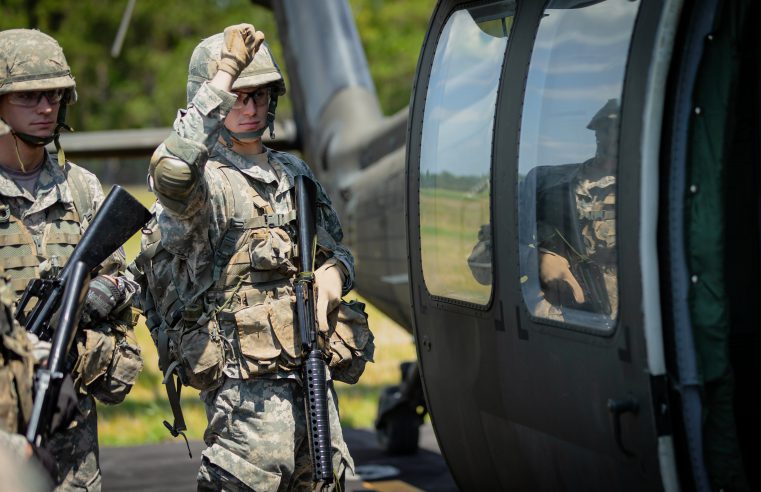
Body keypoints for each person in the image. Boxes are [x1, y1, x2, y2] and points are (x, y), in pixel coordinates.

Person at [129, 24, 364, 490]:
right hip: (246, 406)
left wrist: (336, 273)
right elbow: (173, 171)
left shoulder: (292, 172)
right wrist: (225, 74)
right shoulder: (207, 185)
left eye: (260, 94)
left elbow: (337, 249)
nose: (252, 106)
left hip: (312, 381)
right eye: (239, 96)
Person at [0, 28, 144, 491]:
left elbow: (125, 276)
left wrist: (96, 296)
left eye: (55, 96)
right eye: (31, 97)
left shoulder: (79, 188)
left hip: (71, 419)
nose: (46, 108)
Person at [522, 99, 619, 323]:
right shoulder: (547, 185)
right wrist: (536, 260)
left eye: (619, 129)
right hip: (561, 322)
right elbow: (487, 256)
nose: (612, 136)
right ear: (596, 133)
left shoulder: (653, 193)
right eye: (606, 129)